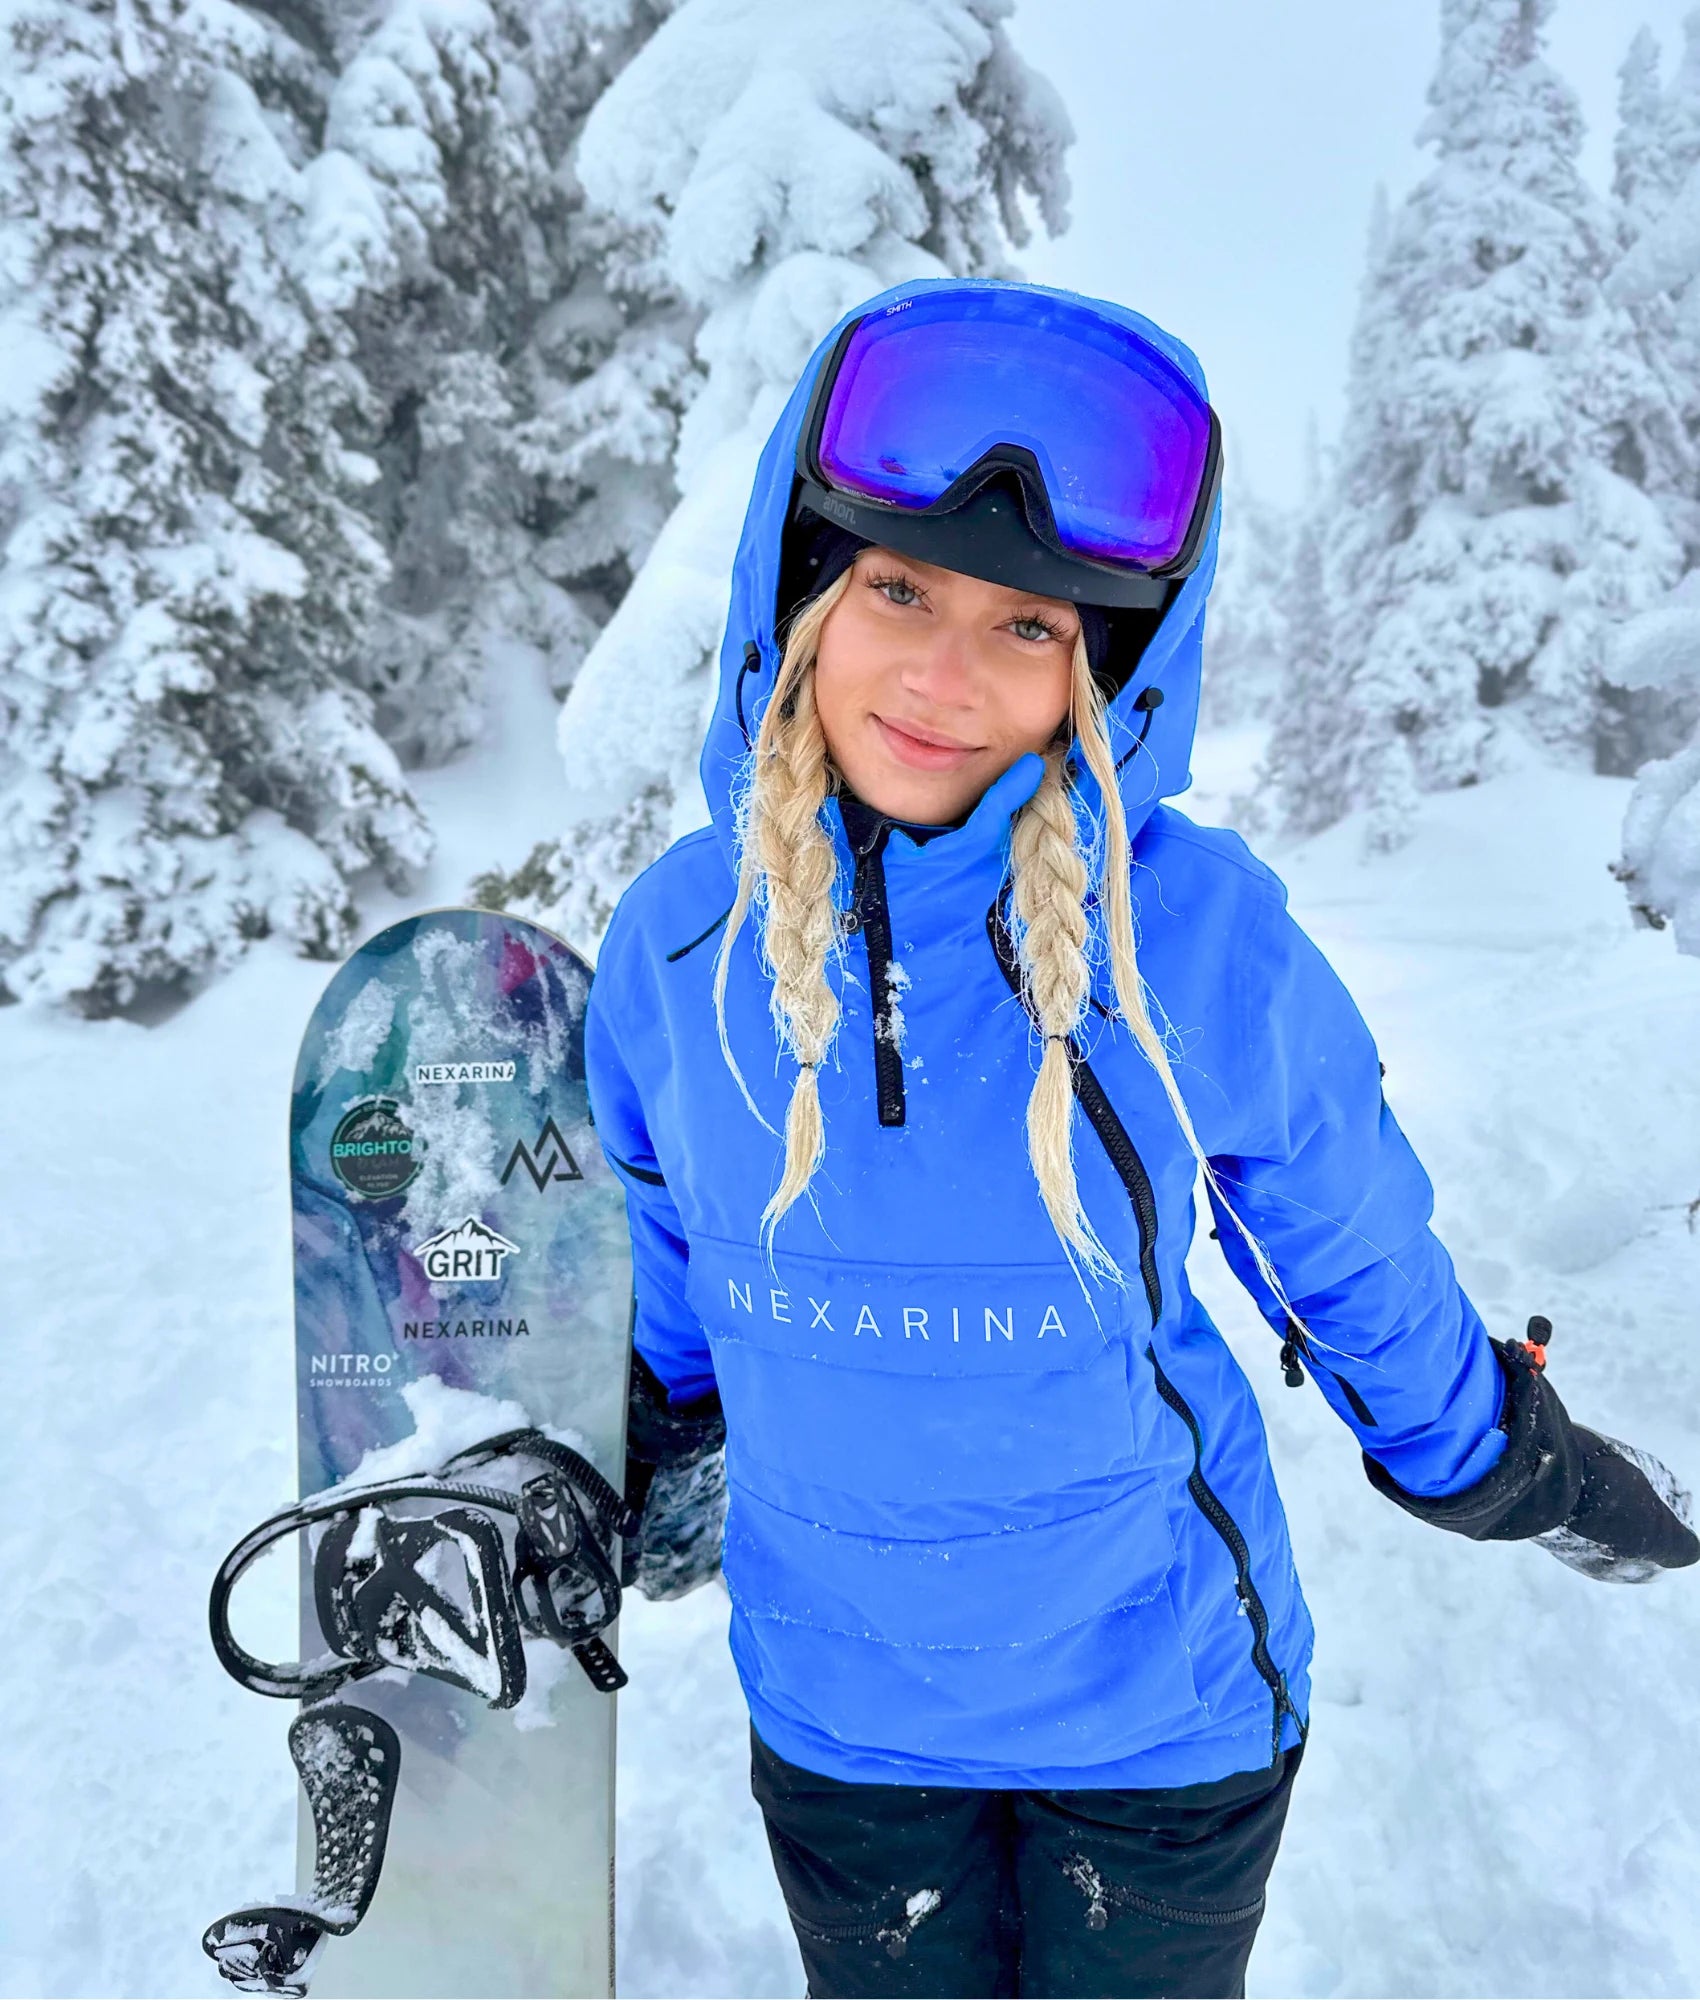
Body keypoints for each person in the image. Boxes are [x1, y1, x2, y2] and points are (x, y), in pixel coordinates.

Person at [585, 279, 1698, 2000]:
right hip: (844, 1718)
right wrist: (654, 1439)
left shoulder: (1179, 937)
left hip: (1159, 1719)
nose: (946, 674)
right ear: (803, 594)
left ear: (1106, 671)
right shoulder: (677, 950)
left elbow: (1351, 1253)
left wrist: (1512, 1465)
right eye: (898, 588)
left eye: (1030, 627)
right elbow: (676, 1258)